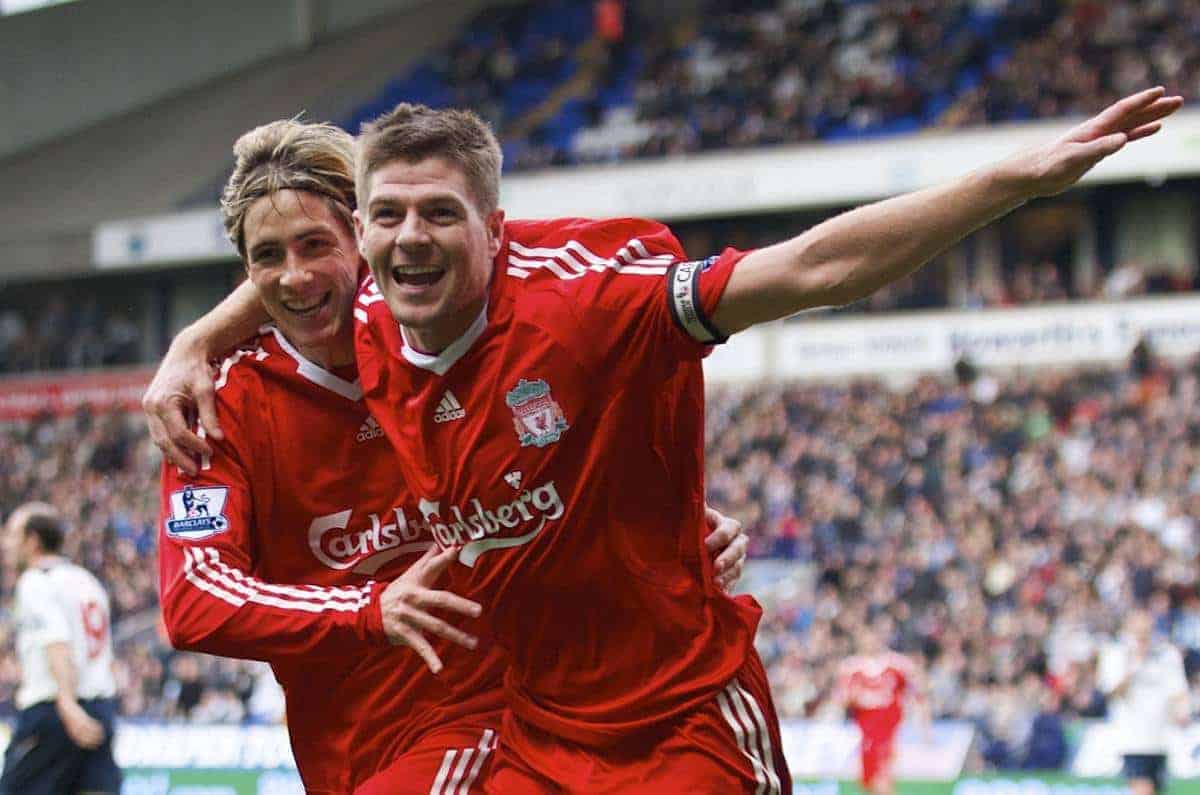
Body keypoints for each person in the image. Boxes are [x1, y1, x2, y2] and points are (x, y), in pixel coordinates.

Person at [148, 87, 1180, 793]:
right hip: (538, 735)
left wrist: (1012, 184)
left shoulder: (589, 306)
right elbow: (302, 275)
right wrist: (192, 340)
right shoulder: (339, 329)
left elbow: (815, 267)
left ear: (495, 228)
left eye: (438, 216)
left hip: (675, 716)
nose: (407, 239)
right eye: (387, 219)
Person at [154, 119, 750, 794]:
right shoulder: (220, 400)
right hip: (344, 742)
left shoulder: (456, 334)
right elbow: (193, 598)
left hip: (490, 714)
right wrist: (369, 611)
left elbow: (576, 411)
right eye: (269, 257)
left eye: (318, 245)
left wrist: (671, 510)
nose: (296, 276)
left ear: (361, 236)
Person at [0, 502, 121, 795]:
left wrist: (67, 704)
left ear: (33, 541)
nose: (6, 544)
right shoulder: (87, 581)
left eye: (12, 535)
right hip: (100, 706)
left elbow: (58, 643)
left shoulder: (36, 581)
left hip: (56, 710)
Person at [1097, 610, 1189, 795]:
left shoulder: (1166, 654)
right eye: (1139, 631)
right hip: (1133, 740)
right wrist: (1133, 665)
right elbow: (1112, 692)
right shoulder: (1115, 653)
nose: (1143, 635)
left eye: (1147, 630)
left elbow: (1178, 691)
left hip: (1162, 739)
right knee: (1143, 790)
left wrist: (1182, 712)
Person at [835, 624, 927, 795]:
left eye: (873, 637)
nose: (870, 642)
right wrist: (857, 698)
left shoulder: (898, 664)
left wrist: (922, 724)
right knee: (869, 782)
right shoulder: (851, 667)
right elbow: (842, 699)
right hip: (865, 731)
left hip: (891, 730)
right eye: (865, 637)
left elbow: (918, 692)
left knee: (885, 777)